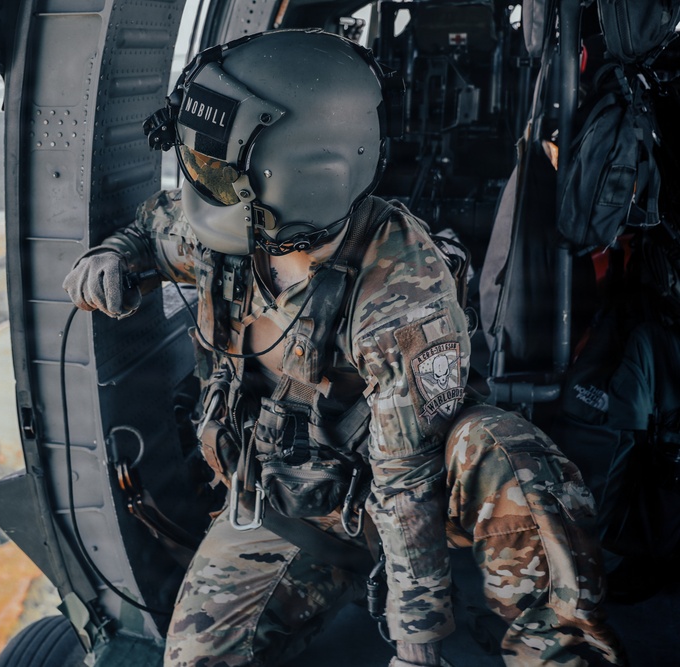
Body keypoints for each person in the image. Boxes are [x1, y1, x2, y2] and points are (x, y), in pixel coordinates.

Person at [63, 29, 625, 667]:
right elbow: (158, 225)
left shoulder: (400, 290)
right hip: (283, 503)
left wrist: (416, 642)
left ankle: (556, 648)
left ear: (297, 175)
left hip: (403, 498)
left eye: (223, 171)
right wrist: (114, 255)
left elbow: (406, 479)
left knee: (502, 451)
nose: (204, 182)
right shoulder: (225, 229)